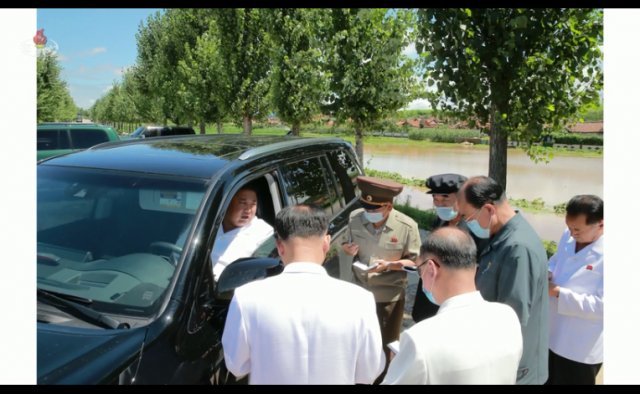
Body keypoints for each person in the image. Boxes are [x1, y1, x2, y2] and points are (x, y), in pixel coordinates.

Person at [222, 205, 385, 384]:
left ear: (279, 247)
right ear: (326, 243)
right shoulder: (360, 300)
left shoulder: (247, 297)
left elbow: (236, 365)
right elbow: (370, 370)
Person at [383, 227, 523, 384]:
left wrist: (399, 364)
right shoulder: (507, 316)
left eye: (419, 270)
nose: (421, 276)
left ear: (431, 268)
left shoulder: (420, 339)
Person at [456, 175, 548, 385]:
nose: (465, 223)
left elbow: (511, 319)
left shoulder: (518, 248)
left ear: (488, 209)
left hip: (515, 369)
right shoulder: (501, 236)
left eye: (467, 217)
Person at [341, 175, 421, 381]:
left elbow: (416, 262)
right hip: (359, 293)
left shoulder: (407, 226)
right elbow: (347, 244)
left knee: (385, 346)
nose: (368, 213)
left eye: (374, 209)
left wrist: (391, 265)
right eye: (366, 207)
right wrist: (348, 250)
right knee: (358, 343)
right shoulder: (355, 218)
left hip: (388, 297)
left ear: (388, 206)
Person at [412, 173, 488, 322]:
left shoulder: (476, 228)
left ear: (461, 199)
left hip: (456, 300)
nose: (440, 205)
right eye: (436, 199)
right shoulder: (440, 221)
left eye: (445, 199)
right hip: (430, 296)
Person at [547, 195, 603, 385]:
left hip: (581, 345)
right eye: (569, 227)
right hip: (553, 332)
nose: (571, 234)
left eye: (577, 230)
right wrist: (548, 271)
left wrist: (559, 293)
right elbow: (557, 259)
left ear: (600, 225)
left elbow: (602, 307)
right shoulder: (569, 235)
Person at [210, 185, 274, 281]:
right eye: (243, 203)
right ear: (226, 204)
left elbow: (256, 272)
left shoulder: (263, 232)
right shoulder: (209, 223)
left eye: (253, 204)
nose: (248, 210)